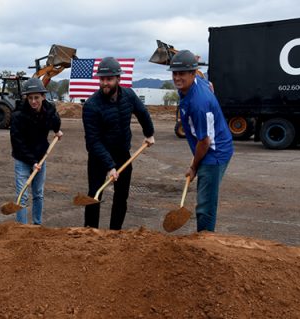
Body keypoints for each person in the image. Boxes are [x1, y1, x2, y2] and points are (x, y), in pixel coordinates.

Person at [82, 57, 155, 230]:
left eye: (109, 79)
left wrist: (149, 133)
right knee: (94, 194)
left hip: (122, 154)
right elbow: (93, 141)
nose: (105, 83)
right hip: (98, 158)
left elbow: (143, 113)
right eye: (102, 79)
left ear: (118, 79)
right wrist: (109, 166)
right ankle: (90, 233)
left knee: (121, 195)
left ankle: (115, 233)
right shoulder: (91, 106)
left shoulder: (128, 95)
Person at [168, 50, 233, 232]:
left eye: (182, 73)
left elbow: (204, 141)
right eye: (175, 73)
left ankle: (205, 241)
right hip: (211, 145)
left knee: (205, 203)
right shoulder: (198, 83)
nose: (177, 78)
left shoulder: (198, 104)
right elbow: (209, 83)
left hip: (215, 153)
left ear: (192, 74)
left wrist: (194, 166)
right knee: (205, 197)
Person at [10, 78, 63, 225]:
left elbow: (55, 123)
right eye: (30, 98)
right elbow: (17, 143)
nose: (33, 101)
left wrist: (57, 130)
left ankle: (37, 224)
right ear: (26, 98)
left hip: (40, 158)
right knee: (23, 195)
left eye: (37, 97)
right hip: (23, 159)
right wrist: (32, 162)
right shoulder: (18, 116)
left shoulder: (48, 110)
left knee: (38, 194)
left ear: (43, 97)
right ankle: (22, 227)